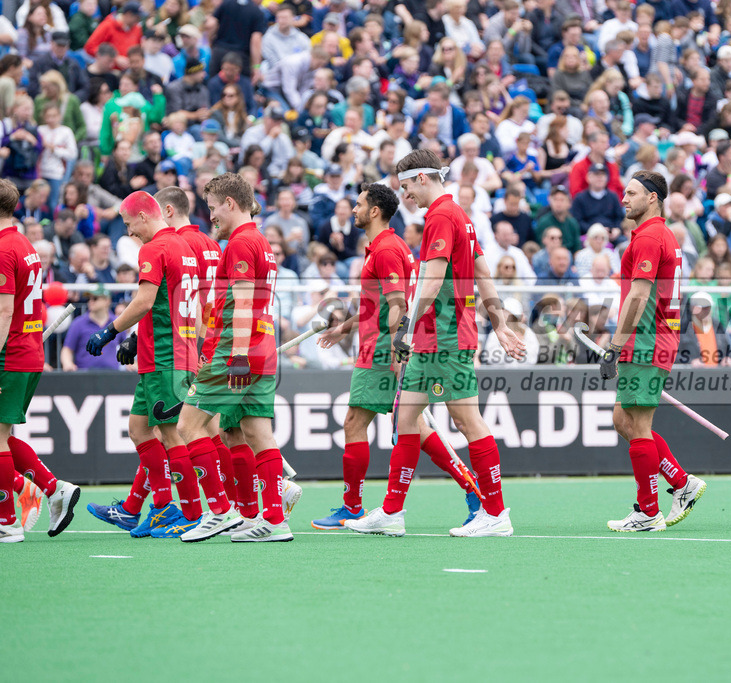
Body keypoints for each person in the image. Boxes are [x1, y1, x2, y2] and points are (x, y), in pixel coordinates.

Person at [346, 149, 526, 538]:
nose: (405, 195)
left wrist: (406, 327)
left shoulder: (442, 216)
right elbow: (482, 273)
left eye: (407, 185)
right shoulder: (459, 215)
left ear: (423, 178)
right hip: (434, 337)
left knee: (467, 421)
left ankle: (496, 513)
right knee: (406, 419)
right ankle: (392, 511)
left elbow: (433, 278)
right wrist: (499, 324)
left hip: (445, 335)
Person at [312, 183, 483, 530]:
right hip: (379, 345)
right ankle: (472, 490)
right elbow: (374, 302)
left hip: (381, 349)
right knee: (414, 426)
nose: (354, 209)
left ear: (374, 211)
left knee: (356, 422)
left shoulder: (387, 249)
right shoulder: (384, 247)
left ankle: (353, 507)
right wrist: (344, 328)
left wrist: (395, 348)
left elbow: (397, 305)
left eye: (359, 204)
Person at [83, 191, 213, 539]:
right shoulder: (183, 246)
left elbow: (144, 301)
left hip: (166, 356)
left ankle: (191, 513)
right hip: (171, 351)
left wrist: (110, 331)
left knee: (171, 434)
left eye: (129, 224)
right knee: (139, 430)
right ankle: (162, 506)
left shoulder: (154, 248)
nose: (129, 232)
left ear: (143, 216)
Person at [176, 173, 290, 542]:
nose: (211, 216)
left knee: (188, 426)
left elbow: (242, 303)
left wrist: (237, 355)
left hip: (236, 350)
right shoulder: (261, 241)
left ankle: (220, 511)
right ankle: (274, 520)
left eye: (213, 207)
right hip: (263, 350)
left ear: (230, 203)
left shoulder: (241, 242)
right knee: (256, 433)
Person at [599, 170, 707, 533]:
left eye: (632, 193)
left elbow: (639, 295)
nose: (624, 199)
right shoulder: (660, 234)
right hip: (650, 339)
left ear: (652, 198)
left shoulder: (649, 236)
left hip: (646, 340)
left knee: (640, 425)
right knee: (623, 420)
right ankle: (681, 482)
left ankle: (647, 511)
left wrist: (615, 345)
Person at [0, 178, 81, 543]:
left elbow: (4, 311)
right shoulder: (23, 244)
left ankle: (6, 520)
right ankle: (52, 489)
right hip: (28, 351)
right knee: (3, 435)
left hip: (11, 354)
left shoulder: (4, 248)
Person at [60, 285, 127, 371]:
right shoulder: (78, 323)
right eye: (89, 299)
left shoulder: (117, 322)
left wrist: (130, 363)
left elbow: (126, 345)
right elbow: (67, 349)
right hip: (85, 375)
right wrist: (67, 363)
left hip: (112, 375)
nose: (91, 301)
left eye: (95, 298)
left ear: (107, 300)